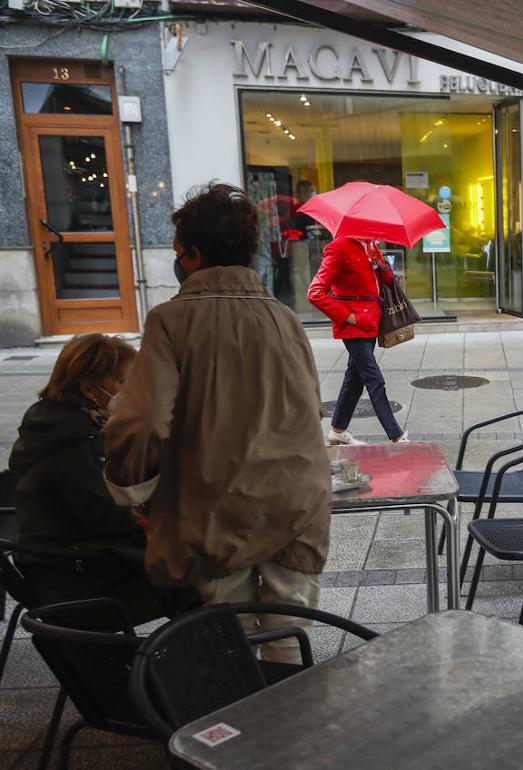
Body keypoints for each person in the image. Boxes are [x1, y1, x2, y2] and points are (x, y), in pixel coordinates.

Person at [104, 183, 331, 663]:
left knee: (229, 636)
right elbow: (310, 408)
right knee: (290, 632)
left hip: (213, 504)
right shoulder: (284, 318)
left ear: (193, 254)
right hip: (296, 500)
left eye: (178, 252)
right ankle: (291, 723)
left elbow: (140, 420)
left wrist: (132, 488)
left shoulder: (170, 321)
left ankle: (239, 727)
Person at [9, 335, 193, 627]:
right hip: (80, 581)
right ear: (89, 390)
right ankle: (194, 668)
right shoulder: (73, 440)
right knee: (196, 579)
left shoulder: (54, 421)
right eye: (123, 383)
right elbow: (109, 516)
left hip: (65, 565)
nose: (132, 391)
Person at [308, 236, 409, 444]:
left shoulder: (371, 246)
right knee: (374, 379)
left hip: (372, 322)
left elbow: (389, 282)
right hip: (354, 325)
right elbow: (315, 292)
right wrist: (346, 315)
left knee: (354, 379)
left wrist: (381, 265)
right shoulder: (338, 248)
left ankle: (337, 431)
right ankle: (397, 436)